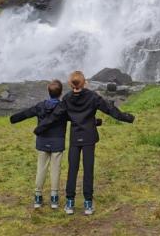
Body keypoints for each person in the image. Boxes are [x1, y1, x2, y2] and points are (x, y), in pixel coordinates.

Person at [35, 70, 135, 216]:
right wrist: (128, 118)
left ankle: (70, 203)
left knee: (72, 170)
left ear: (70, 84)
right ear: (85, 82)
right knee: (88, 170)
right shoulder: (93, 97)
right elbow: (110, 110)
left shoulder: (67, 98)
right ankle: (88, 204)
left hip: (75, 138)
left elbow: (54, 117)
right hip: (89, 138)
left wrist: (39, 128)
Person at [9, 79, 67, 210]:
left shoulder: (40, 106)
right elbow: (76, 118)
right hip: (57, 141)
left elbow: (26, 113)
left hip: (42, 141)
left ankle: (38, 197)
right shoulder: (63, 108)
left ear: (48, 92)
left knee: (41, 169)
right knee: (55, 170)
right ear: (61, 93)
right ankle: (54, 198)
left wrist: (13, 118)